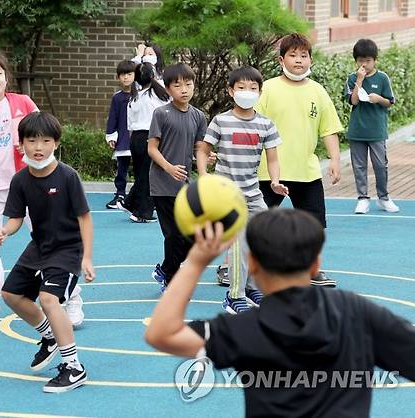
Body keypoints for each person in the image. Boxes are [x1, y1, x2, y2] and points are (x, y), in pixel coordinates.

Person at [145, 208, 415, 417]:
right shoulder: (357, 313)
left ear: (251, 264)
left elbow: (161, 333)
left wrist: (195, 261)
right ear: (315, 264)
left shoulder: (244, 328)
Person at [0, 50, 84, 329]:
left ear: (6, 76)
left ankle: (72, 298)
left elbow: (43, 129)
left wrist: (27, 144)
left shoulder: (22, 103)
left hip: (31, 186)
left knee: (52, 243)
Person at [0, 112, 95, 393]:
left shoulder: (68, 177)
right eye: (32, 140)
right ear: (21, 144)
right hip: (39, 247)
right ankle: (49, 336)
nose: (38, 147)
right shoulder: (20, 180)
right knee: (10, 294)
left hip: (68, 249)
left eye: (46, 140)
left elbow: (85, 218)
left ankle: (74, 367)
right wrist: (5, 230)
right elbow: (16, 218)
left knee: (50, 299)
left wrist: (86, 257)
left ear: (56, 144)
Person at [197, 66, 288, 314]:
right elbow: (203, 150)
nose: (247, 92)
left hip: (252, 192)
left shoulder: (265, 125)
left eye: (253, 88)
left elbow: (273, 158)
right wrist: (204, 175)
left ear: (260, 92)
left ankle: (250, 287)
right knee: (238, 242)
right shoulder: (221, 121)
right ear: (230, 91)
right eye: (241, 88)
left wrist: (275, 181)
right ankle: (233, 296)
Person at [255, 33, 343, 287]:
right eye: (293, 55)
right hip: (269, 172)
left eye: (303, 56)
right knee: (255, 222)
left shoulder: (318, 91)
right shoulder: (268, 89)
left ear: (311, 61)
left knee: (314, 225)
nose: (298, 61)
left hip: (307, 171)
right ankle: (231, 266)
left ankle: (312, 268)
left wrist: (335, 159)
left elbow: (329, 130)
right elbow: (252, 125)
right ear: (281, 59)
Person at [147, 63, 207, 292]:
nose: (184, 89)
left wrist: (203, 159)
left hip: (185, 186)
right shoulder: (161, 114)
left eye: (188, 84)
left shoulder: (198, 116)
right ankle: (170, 279)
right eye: (177, 85)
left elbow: (199, 147)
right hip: (162, 185)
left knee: (193, 237)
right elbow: (152, 149)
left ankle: (165, 268)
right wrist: (169, 168)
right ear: (168, 88)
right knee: (173, 235)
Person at [345, 38, 399, 214]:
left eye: (368, 60)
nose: (365, 64)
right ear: (356, 61)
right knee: (359, 166)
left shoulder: (382, 78)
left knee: (380, 165)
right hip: (357, 131)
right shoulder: (352, 78)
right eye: (361, 60)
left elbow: (390, 102)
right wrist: (359, 80)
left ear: (375, 60)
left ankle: (383, 198)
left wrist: (379, 99)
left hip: (377, 131)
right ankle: (362, 199)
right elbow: (353, 101)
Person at [117, 62, 171, 223]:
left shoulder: (134, 98)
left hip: (136, 139)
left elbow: (129, 124)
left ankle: (130, 203)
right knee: (148, 175)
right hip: (152, 137)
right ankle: (142, 212)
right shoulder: (160, 96)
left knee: (142, 173)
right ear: (153, 76)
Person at [105, 60, 135, 209]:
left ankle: (141, 196)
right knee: (121, 168)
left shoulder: (142, 95)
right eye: (122, 75)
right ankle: (120, 194)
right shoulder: (117, 98)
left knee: (141, 169)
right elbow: (113, 118)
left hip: (139, 138)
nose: (126, 78)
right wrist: (111, 136)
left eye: (129, 74)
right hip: (123, 138)